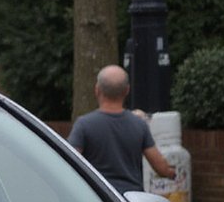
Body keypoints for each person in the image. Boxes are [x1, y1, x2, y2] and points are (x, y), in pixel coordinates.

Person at [68, 64, 177, 194]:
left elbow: (69, 160)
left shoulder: (84, 124)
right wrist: (174, 174)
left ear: (97, 90)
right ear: (127, 90)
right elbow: (160, 167)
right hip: (130, 201)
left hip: (97, 198)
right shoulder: (139, 125)